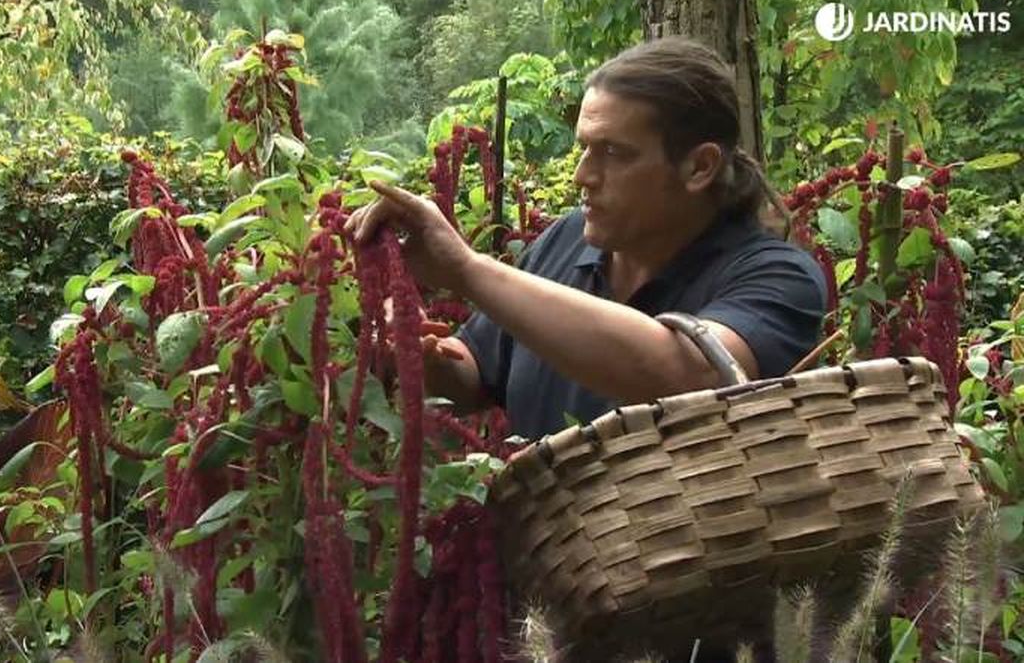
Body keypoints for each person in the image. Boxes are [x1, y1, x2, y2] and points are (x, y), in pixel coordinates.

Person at [344, 36, 827, 444]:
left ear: (699, 166)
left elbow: (698, 375)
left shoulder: (775, 275)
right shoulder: (565, 241)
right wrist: (418, 350)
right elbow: (475, 376)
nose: (583, 177)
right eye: (584, 150)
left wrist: (467, 269)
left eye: (614, 153)